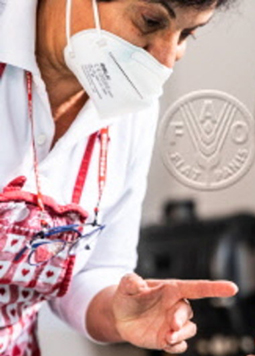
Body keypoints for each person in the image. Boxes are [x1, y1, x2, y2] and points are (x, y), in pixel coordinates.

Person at [0, 0, 239, 354]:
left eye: (186, 34)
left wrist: (120, 312)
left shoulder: (130, 104)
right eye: (150, 21)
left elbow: (91, 271)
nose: (164, 61)